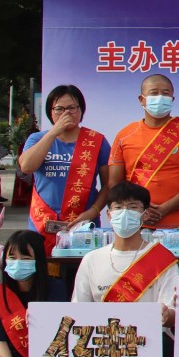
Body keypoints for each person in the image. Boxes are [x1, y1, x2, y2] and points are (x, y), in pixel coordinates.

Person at [72, 182, 179, 357]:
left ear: (145, 214)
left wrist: (167, 315)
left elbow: (174, 310)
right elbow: (78, 310)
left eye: (132, 207)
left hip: (148, 338)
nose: (124, 213)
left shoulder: (162, 259)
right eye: (118, 207)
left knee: (163, 344)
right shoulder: (92, 260)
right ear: (109, 215)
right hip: (105, 339)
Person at [105, 73, 179, 229]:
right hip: (134, 221)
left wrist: (165, 209)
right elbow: (114, 183)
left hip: (177, 225)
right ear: (141, 99)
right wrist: (139, 209)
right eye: (154, 93)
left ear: (172, 99)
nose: (160, 98)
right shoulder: (125, 135)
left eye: (165, 93)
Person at [19, 84, 110, 244]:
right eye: (59, 109)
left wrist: (93, 211)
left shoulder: (97, 141)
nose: (66, 113)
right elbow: (26, 167)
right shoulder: (37, 139)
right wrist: (54, 132)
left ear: (81, 110)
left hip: (83, 224)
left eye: (72, 108)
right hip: (42, 223)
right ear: (50, 112)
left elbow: (109, 184)